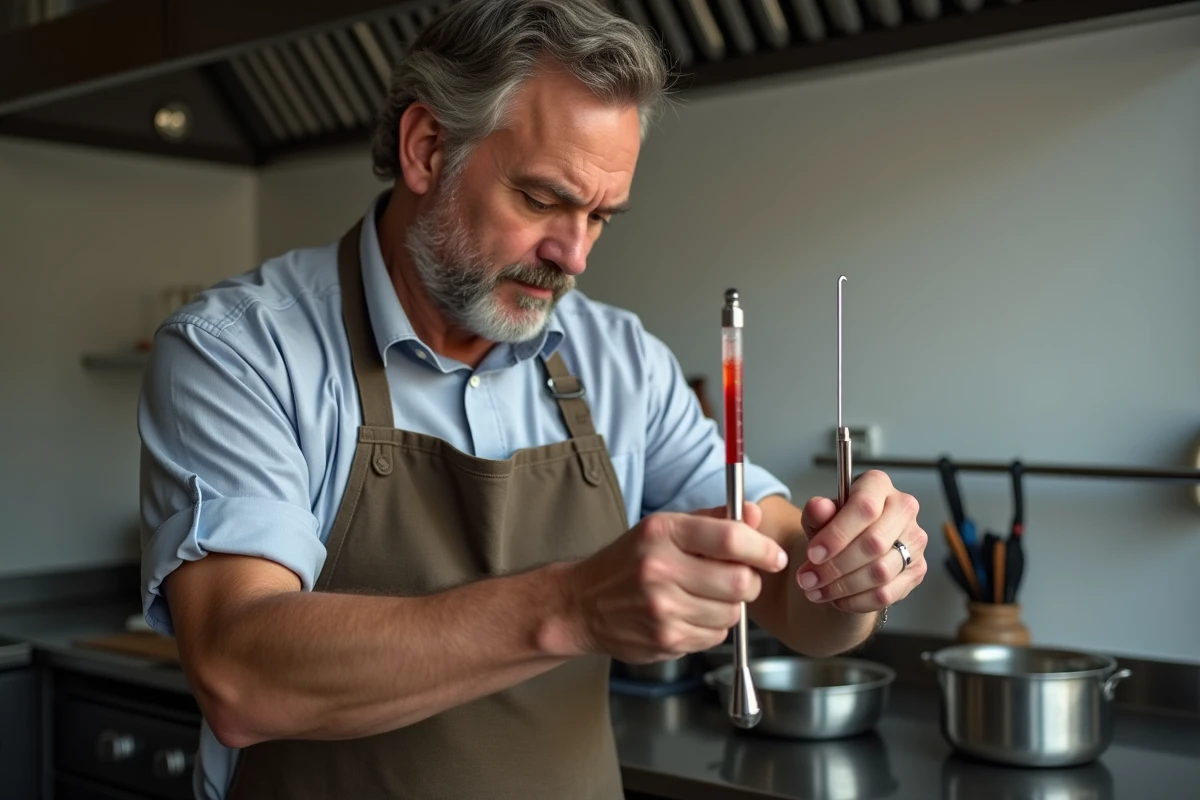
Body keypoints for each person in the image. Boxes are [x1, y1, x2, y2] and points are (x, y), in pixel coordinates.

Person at [137, 1, 928, 798]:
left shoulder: (619, 360)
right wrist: (571, 605)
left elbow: (792, 590)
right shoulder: (239, 349)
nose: (573, 256)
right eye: (543, 200)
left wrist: (852, 574)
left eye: (600, 217)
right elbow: (242, 678)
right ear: (427, 148)